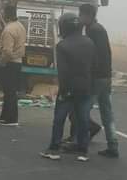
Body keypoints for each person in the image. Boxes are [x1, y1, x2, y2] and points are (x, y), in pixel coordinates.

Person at [40, 13, 96, 162]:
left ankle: (54, 149)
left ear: (64, 26)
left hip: (68, 88)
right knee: (83, 120)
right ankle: (83, 152)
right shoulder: (89, 42)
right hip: (85, 87)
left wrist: (62, 90)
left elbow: (63, 72)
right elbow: (92, 66)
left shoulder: (62, 45)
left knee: (59, 119)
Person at [80, 4, 119, 158]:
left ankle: (80, 142)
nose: (80, 18)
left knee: (83, 110)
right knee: (107, 113)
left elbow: (95, 55)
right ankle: (113, 145)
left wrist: (89, 74)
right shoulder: (98, 29)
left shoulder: (93, 30)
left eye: (81, 15)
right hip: (106, 77)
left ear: (88, 16)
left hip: (97, 78)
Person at [0, 4, 27, 127]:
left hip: (9, 63)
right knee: (9, 91)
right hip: (17, 62)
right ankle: (4, 115)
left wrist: (1, 62)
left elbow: (7, 51)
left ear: (5, 14)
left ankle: (11, 118)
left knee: (9, 91)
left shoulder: (8, 30)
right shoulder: (20, 26)